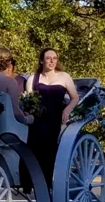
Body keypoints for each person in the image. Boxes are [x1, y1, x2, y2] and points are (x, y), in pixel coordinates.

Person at [24, 47, 80, 188]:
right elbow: (29, 101)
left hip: (55, 118)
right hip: (38, 119)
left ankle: (49, 181)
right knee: (34, 146)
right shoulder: (33, 78)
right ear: (42, 60)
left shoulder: (64, 77)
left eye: (54, 58)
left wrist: (67, 109)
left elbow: (75, 98)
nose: (52, 61)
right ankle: (31, 180)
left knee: (50, 147)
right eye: (48, 58)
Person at [0, 47, 33, 125]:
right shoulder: (10, 82)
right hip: (4, 127)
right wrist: (27, 119)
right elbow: (15, 112)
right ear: (9, 63)